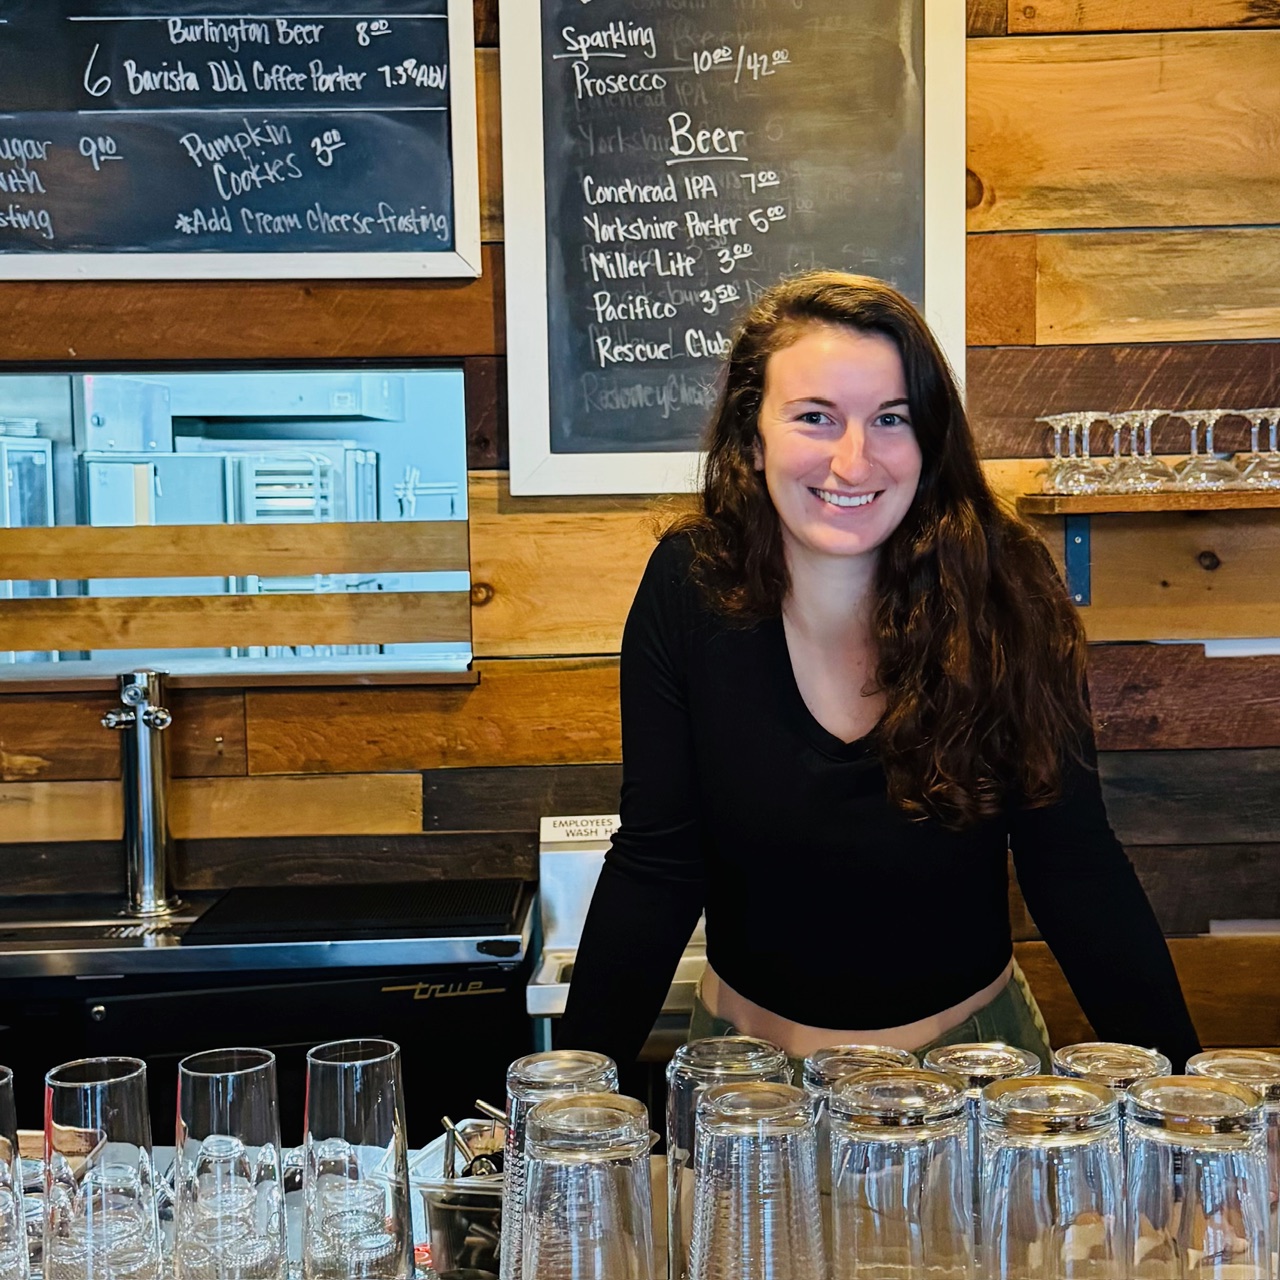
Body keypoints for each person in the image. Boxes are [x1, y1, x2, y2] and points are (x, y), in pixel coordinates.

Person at [556, 271, 1201, 1074]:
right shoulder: (688, 588)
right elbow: (657, 863)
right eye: (815, 417)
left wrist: (1189, 1107)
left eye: (890, 418)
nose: (853, 460)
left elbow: (1072, 863)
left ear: (929, 438)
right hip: (747, 1087)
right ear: (752, 439)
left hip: (971, 1080)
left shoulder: (1008, 586)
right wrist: (564, 1105)